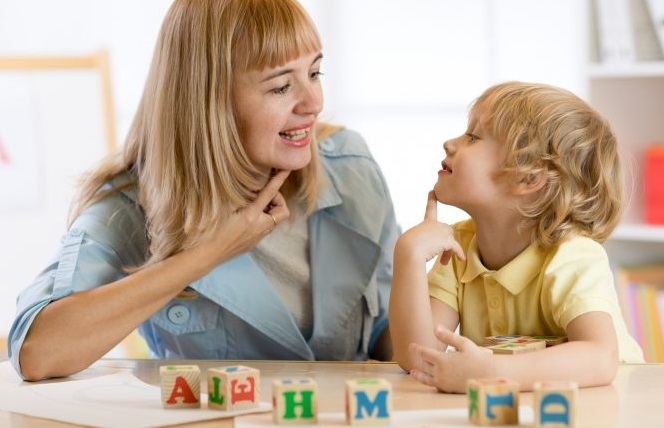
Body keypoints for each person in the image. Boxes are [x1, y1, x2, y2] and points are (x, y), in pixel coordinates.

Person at [9, 0, 399, 381]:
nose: (314, 103)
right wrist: (207, 254)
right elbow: (36, 352)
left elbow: (387, 331)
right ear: (210, 101)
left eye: (314, 73)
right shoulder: (132, 206)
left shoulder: (351, 167)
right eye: (281, 86)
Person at [389, 81, 644, 393]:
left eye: (472, 137)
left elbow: (600, 358)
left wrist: (490, 373)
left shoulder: (572, 255)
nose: (449, 143)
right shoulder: (457, 246)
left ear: (528, 178)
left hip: (617, 406)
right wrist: (409, 256)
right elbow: (418, 359)